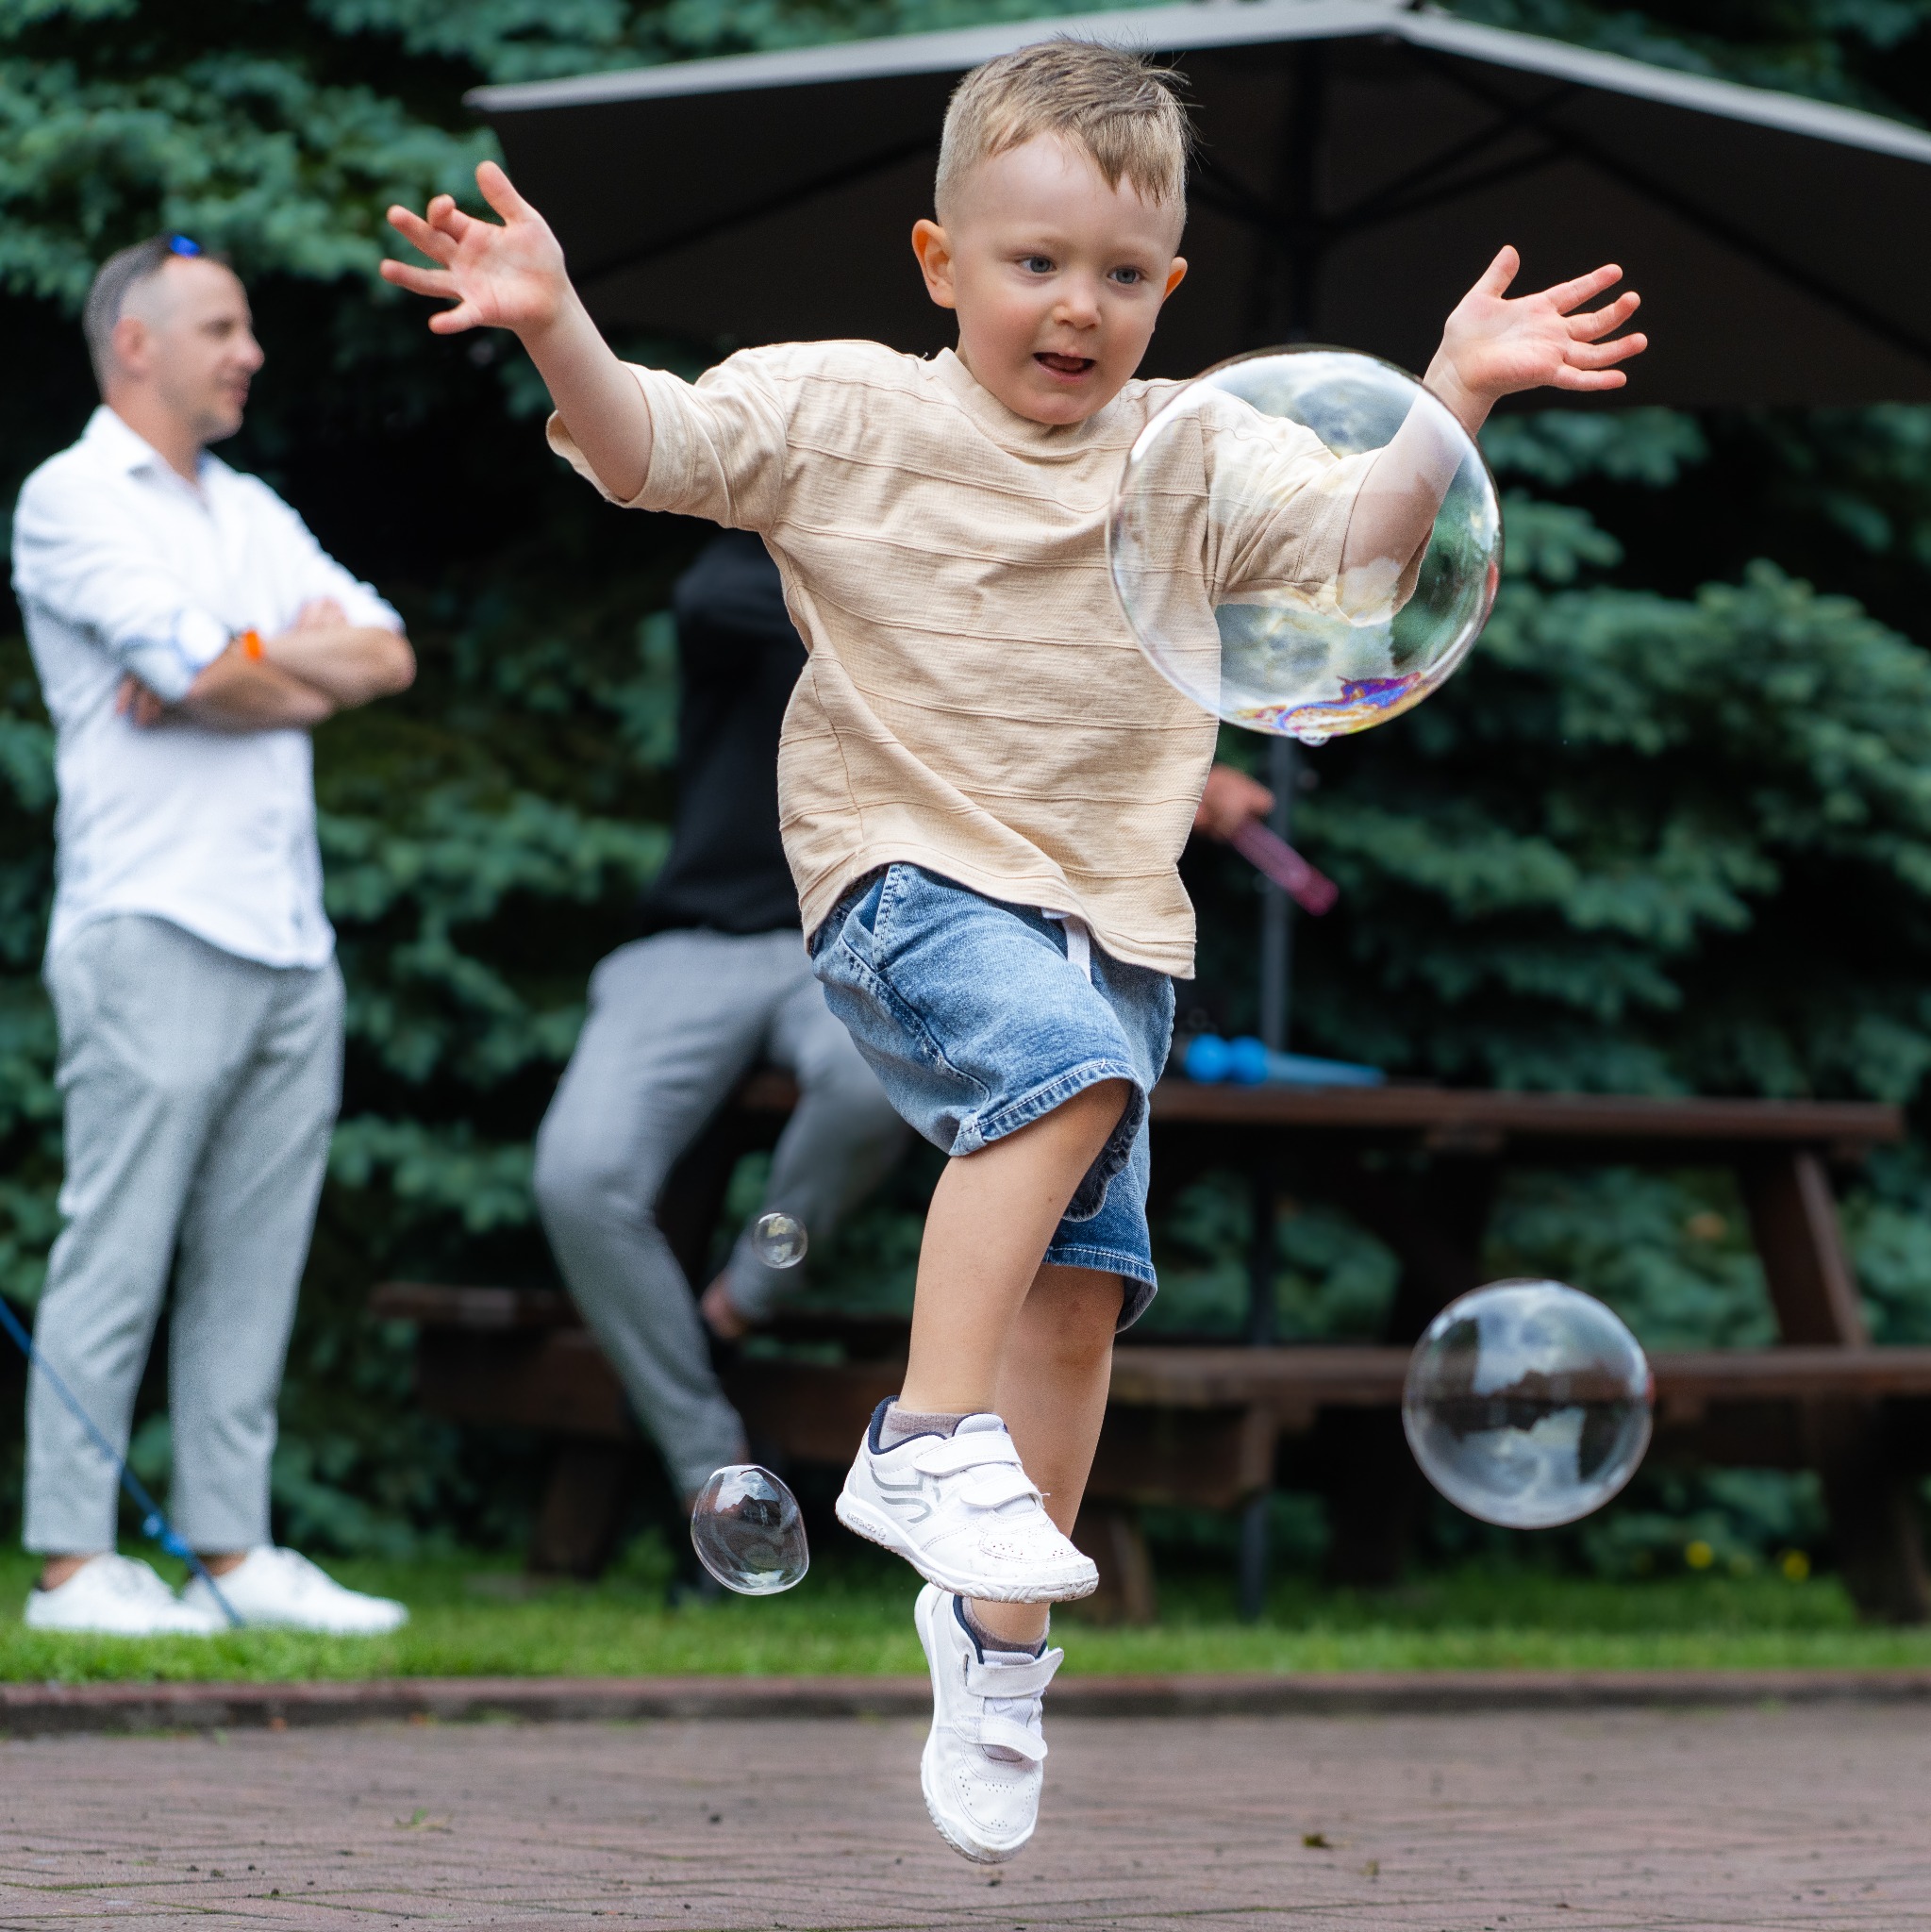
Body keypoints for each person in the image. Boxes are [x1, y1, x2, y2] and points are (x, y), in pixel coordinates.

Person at [383, 38, 1642, 1860]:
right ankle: (918, 1435)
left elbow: (1364, 554)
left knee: (1082, 1285)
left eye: (1123, 277)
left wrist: (1449, 396)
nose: (1079, 308)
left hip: (1113, 913)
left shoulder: (1194, 447)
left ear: (1172, 291)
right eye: (1035, 263)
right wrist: (555, 319)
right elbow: (647, 446)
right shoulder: (844, 414)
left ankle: (993, 1649)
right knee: (1062, 1076)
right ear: (937, 260)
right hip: (902, 875)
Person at [9, 234, 418, 1637]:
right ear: (138, 342)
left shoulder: (242, 506)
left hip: (286, 938)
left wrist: (235, 663)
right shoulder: (68, 499)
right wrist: (243, 662)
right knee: (115, 1244)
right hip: (149, 921)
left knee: (256, 1255)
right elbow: (189, 670)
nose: (250, 353)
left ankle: (232, 1558)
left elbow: (384, 648)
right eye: (225, 328)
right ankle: (72, 1565)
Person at [533, 529, 907, 1514]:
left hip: (851, 938)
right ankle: (714, 1464)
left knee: (877, 1081)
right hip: (692, 942)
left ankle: (740, 1298)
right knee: (578, 1173)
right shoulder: (758, 562)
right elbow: (707, 602)